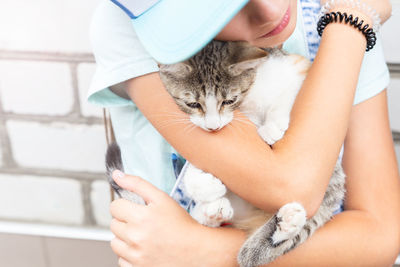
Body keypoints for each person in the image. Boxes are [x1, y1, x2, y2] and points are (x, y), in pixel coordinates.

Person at [88, 0, 400, 266]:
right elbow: (291, 187)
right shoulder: (137, 27)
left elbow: (382, 234)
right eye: (227, 6)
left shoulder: (334, 8)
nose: (270, 12)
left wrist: (204, 250)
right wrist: (351, 26)